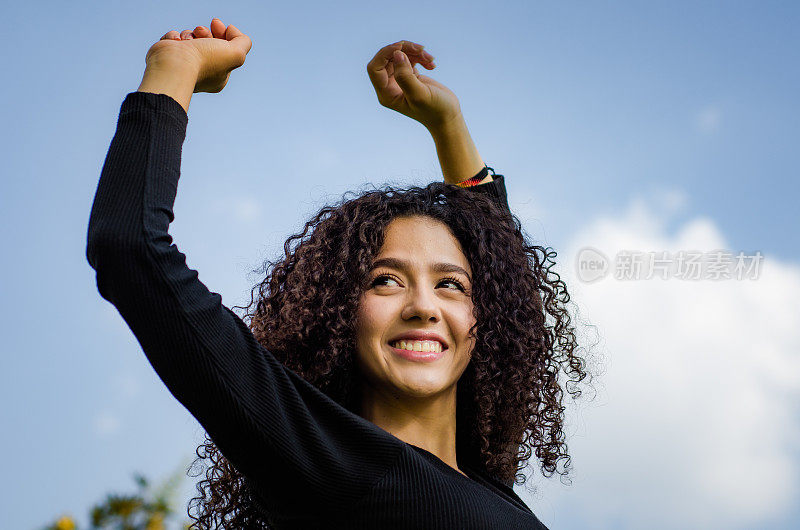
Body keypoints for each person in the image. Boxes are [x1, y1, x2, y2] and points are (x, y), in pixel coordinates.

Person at [86, 17, 589, 529]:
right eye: (385, 280)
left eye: (451, 285)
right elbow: (132, 251)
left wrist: (447, 124)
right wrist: (174, 70)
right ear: (337, 314)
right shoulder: (332, 465)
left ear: (490, 320)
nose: (423, 306)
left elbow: (504, 265)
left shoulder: (483, 482)